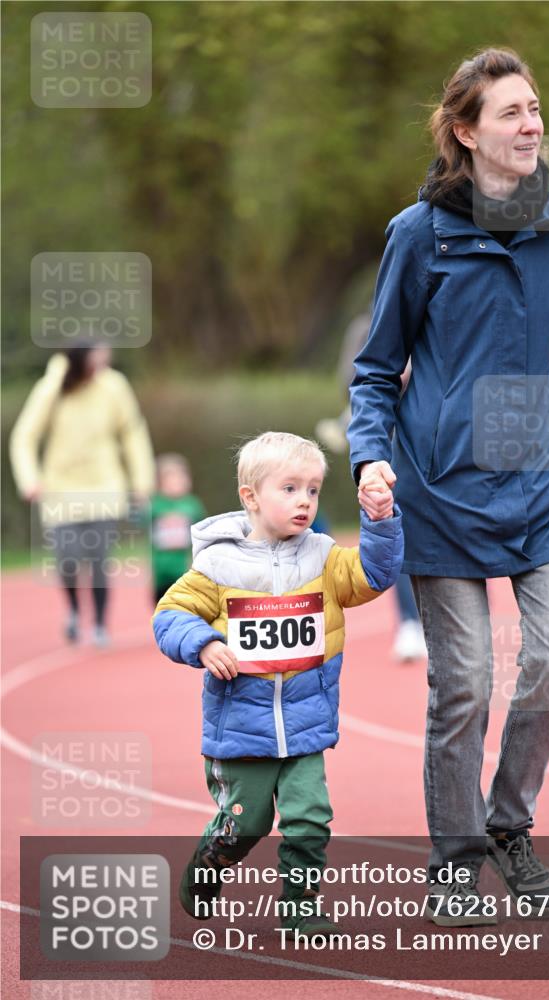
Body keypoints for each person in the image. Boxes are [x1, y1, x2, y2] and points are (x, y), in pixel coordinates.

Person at [346, 48, 549, 926]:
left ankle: (508, 826)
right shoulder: (418, 235)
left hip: (543, 486)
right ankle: (455, 855)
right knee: (465, 681)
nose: (531, 125)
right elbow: (374, 372)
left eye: (536, 108)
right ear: (466, 132)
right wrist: (371, 455)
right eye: (510, 113)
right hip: (440, 491)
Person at [152, 431, 402, 934]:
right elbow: (170, 613)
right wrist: (203, 643)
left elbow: (374, 575)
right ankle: (210, 862)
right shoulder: (218, 563)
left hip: (306, 725)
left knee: (310, 819)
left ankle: (300, 905)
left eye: (312, 489)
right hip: (242, 729)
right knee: (246, 824)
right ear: (250, 496)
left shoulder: (323, 557)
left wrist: (380, 520)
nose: (304, 501)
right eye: (289, 489)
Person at [9, 343, 155, 647]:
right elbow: (24, 436)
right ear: (79, 361)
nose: (103, 365)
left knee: (100, 560)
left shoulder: (114, 386)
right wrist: (30, 480)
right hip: (60, 490)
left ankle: (100, 624)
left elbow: (132, 433)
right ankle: (75, 610)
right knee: (68, 560)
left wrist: (142, 481)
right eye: (96, 359)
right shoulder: (51, 388)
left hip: (105, 487)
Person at [316, 310, 427, 662]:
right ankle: (410, 622)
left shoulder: (434, 317)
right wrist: (394, 377)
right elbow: (352, 380)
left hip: (435, 437)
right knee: (398, 524)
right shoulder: (365, 326)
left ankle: (465, 614)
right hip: (388, 437)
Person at [150, 453, 206, 604]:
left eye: (179, 479)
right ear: (160, 483)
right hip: (161, 571)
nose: (175, 483)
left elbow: (201, 534)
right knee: (160, 609)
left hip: (183, 569)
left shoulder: (192, 504)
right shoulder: (155, 504)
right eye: (170, 480)